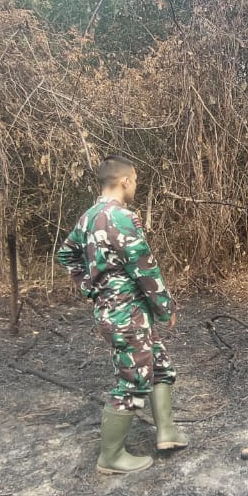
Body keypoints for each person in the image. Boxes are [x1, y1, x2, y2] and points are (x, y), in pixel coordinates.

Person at [57, 154, 184, 474]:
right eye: (136, 180)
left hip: (122, 312)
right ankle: (110, 457)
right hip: (126, 314)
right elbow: (144, 267)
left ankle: (167, 433)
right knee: (133, 380)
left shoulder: (88, 217)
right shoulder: (120, 217)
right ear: (125, 181)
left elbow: (66, 254)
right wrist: (165, 306)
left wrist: (89, 286)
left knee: (159, 365)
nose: (136, 186)